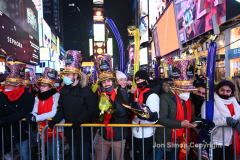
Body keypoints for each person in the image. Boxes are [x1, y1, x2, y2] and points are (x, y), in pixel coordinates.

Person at [48, 50, 98, 160]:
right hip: (70, 131)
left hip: (83, 131)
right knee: (73, 156)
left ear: (76, 75)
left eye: (68, 74)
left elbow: (92, 109)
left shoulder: (86, 90)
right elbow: (61, 109)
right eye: (65, 74)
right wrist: (54, 120)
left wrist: (80, 120)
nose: (65, 76)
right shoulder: (64, 90)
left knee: (84, 156)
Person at [155, 60, 202, 160]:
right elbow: (161, 119)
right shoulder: (165, 97)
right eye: (184, 89)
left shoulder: (187, 100)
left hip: (180, 139)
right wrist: (181, 124)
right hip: (165, 138)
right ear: (177, 88)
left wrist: (200, 121)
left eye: (188, 89)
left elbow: (187, 117)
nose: (187, 92)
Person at [0, 59, 34, 160]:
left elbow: (23, 112)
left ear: (17, 85)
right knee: (19, 151)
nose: (7, 85)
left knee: (24, 154)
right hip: (9, 129)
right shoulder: (3, 95)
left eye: (10, 83)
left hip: (22, 129)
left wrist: (3, 121)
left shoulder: (26, 95)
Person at [25, 67, 60, 160]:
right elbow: (35, 110)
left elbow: (53, 112)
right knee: (48, 153)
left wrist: (37, 118)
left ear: (50, 87)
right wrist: (32, 115)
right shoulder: (37, 97)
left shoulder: (56, 96)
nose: (41, 87)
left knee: (54, 154)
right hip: (43, 129)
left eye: (44, 86)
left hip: (55, 128)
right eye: (41, 85)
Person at [201, 80, 240, 160]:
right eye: (222, 90)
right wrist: (227, 121)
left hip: (231, 141)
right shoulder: (209, 103)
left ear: (231, 92)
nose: (225, 93)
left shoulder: (234, 102)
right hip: (215, 141)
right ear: (218, 89)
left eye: (228, 91)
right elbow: (206, 121)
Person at [96, 71, 129, 160]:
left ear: (113, 82)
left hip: (118, 136)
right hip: (104, 134)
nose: (106, 84)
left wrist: (111, 102)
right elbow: (99, 113)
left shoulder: (121, 93)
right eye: (103, 82)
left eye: (108, 81)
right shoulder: (102, 95)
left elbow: (122, 112)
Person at [129, 70, 160, 160]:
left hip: (145, 133)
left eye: (141, 80)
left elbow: (155, 117)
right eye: (137, 81)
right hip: (136, 131)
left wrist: (146, 115)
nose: (139, 83)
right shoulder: (137, 92)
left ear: (146, 80)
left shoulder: (152, 95)